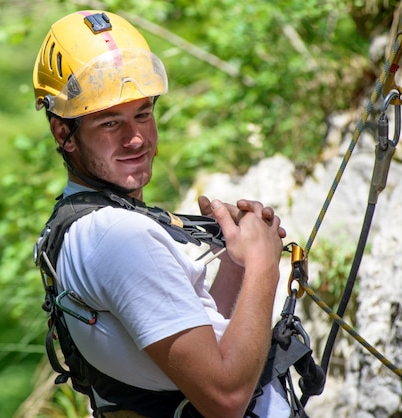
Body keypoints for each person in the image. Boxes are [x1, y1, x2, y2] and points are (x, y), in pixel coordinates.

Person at [32, 9, 292, 418]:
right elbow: (225, 398)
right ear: (63, 132)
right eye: (109, 122)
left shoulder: (80, 224)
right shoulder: (117, 237)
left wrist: (237, 265)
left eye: (143, 114)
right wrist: (264, 267)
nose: (136, 138)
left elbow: (196, 346)